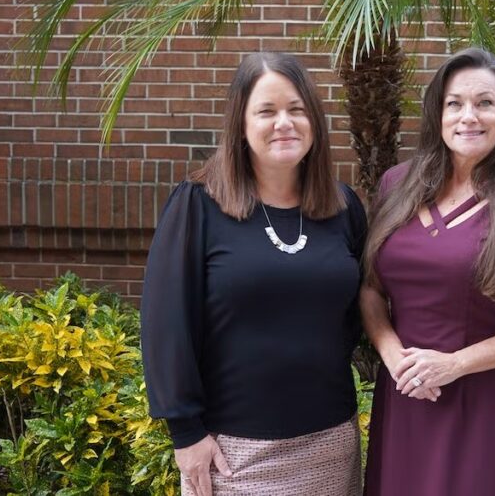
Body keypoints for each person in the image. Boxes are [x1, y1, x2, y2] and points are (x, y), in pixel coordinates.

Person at [140, 52, 366, 496]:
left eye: (297, 109)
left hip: (331, 440)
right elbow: (166, 324)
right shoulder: (198, 204)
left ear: (314, 122)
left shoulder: (343, 207)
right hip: (233, 451)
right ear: (240, 125)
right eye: (267, 111)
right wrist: (185, 433)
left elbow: (353, 315)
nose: (284, 122)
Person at [360, 48, 495, 496]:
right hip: (405, 392)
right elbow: (372, 291)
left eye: (484, 103)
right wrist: (394, 356)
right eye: (454, 103)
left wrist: (454, 364)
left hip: (481, 398)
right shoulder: (396, 186)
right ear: (438, 112)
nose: (468, 116)